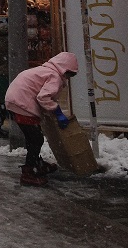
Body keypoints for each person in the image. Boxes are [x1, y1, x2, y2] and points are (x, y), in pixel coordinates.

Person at [5, 52, 79, 187]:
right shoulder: (55, 76)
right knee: (36, 139)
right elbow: (43, 97)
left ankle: (37, 163)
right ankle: (28, 173)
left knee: (32, 137)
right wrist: (57, 112)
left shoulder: (44, 70)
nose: (68, 78)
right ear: (64, 69)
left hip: (14, 101)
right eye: (69, 74)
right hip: (22, 104)